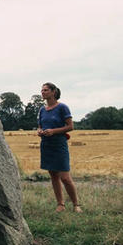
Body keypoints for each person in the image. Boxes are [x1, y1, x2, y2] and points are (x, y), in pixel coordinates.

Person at [38, 83, 81, 213]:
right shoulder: (42, 110)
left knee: (65, 177)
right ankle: (60, 204)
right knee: (53, 175)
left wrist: (54, 131)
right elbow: (40, 126)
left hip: (59, 144)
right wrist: (40, 131)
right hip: (46, 145)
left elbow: (70, 127)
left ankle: (76, 205)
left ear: (53, 92)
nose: (42, 92)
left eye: (45, 90)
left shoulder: (63, 108)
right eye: (42, 90)